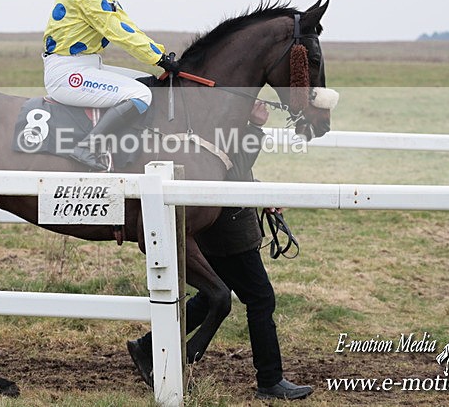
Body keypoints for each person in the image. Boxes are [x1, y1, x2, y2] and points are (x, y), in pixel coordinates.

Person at [126, 101, 314, 401]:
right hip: (229, 230)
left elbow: (236, 170)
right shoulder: (225, 121)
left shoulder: (212, 118)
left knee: (211, 294)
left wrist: (261, 191)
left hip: (220, 224)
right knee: (260, 298)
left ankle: (147, 346)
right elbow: (234, 171)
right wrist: (255, 126)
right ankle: (270, 380)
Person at [43, 0, 180, 171]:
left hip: (89, 66)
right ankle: (88, 147)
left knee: (148, 82)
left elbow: (127, 25)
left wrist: (159, 53)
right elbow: (117, 32)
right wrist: (157, 59)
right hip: (66, 74)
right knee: (140, 95)